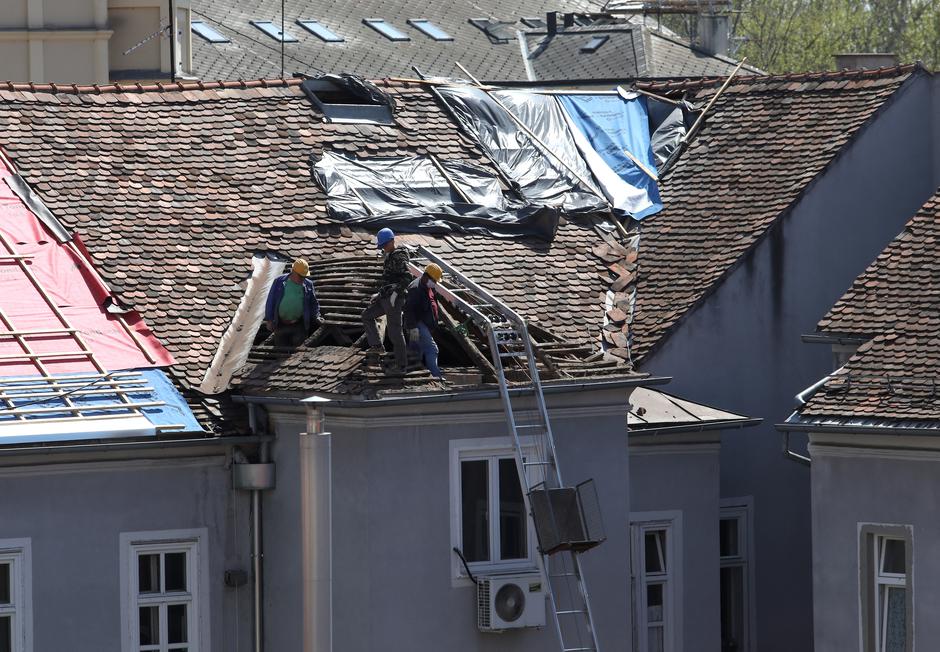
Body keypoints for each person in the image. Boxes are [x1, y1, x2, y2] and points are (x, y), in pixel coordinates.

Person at [361, 228, 411, 371]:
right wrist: (379, 293)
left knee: (395, 332)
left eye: (384, 245)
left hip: (394, 299)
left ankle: (401, 365)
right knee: (366, 315)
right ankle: (377, 346)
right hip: (385, 296)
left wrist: (396, 293)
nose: (383, 248)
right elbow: (388, 280)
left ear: (392, 241)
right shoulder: (389, 255)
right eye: (381, 246)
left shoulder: (399, 256)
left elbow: (408, 277)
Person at [264, 258, 320, 348]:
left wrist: (317, 316)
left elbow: (313, 303)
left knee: (296, 354)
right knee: (281, 351)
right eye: (300, 276)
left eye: (304, 276)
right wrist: (269, 320)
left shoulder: (308, 284)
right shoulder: (279, 281)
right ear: (293, 271)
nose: (303, 278)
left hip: (299, 325)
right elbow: (271, 300)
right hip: (280, 325)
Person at [404, 263, 444, 378]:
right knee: (432, 349)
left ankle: (414, 373)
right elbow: (408, 309)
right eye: (434, 280)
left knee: (416, 350)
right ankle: (436, 376)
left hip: (421, 325)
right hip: (417, 325)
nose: (435, 283)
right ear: (426, 276)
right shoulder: (415, 289)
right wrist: (413, 328)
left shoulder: (427, 286)